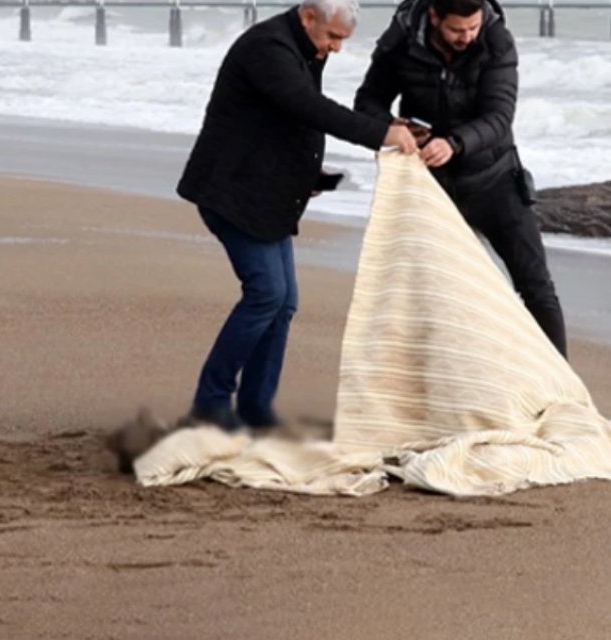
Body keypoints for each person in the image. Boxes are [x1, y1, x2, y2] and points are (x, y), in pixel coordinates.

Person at [176, 0, 418, 432]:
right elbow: (309, 107)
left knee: (283, 302)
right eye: (333, 36)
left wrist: (310, 171)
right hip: (231, 190)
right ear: (309, 16)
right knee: (267, 295)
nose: (337, 47)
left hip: (264, 190)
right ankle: (210, 405)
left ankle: (255, 408)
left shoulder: (305, 48)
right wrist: (383, 133)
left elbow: (285, 120)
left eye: (343, 39)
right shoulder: (268, 48)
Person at [353, 0, 567, 358]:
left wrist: (455, 143)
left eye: (473, 27)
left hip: (494, 176)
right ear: (434, 16)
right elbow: (368, 100)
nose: (467, 36)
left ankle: (564, 388)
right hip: (428, 185)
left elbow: (500, 116)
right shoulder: (401, 38)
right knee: (432, 292)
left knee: (536, 286)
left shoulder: (496, 40)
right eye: (456, 30)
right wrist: (390, 124)